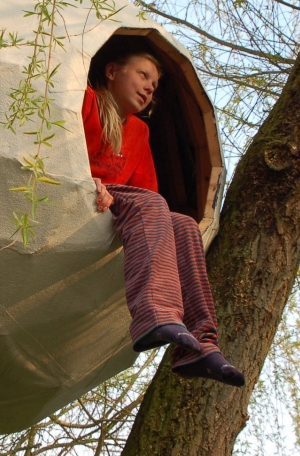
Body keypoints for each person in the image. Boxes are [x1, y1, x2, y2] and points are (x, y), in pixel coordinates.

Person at [83, 49, 245, 387]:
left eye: (154, 86)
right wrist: (84, 177)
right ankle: (154, 314)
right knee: (153, 206)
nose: (148, 88)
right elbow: (51, 147)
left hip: (114, 203)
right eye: (142, 75)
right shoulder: (86, 102)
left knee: (183, 224)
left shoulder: (140, 132)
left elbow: (147, 195)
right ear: (112, 71)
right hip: (74, 188)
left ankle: (201, 343)